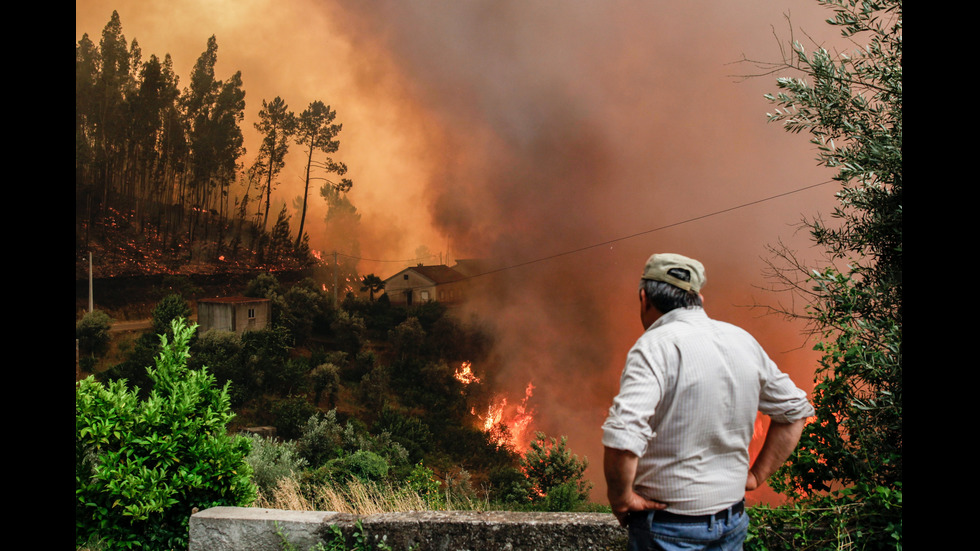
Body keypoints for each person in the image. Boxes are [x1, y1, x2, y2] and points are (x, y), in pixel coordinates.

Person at [602, 253, 814, 550]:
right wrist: (755, 476)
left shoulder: (653, 346)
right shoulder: (742, 340)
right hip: (732, 523)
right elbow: (795, 411)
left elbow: (624, 435)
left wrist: (622, 498)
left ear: (644, 297)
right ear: (699, 298)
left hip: (668, 528)